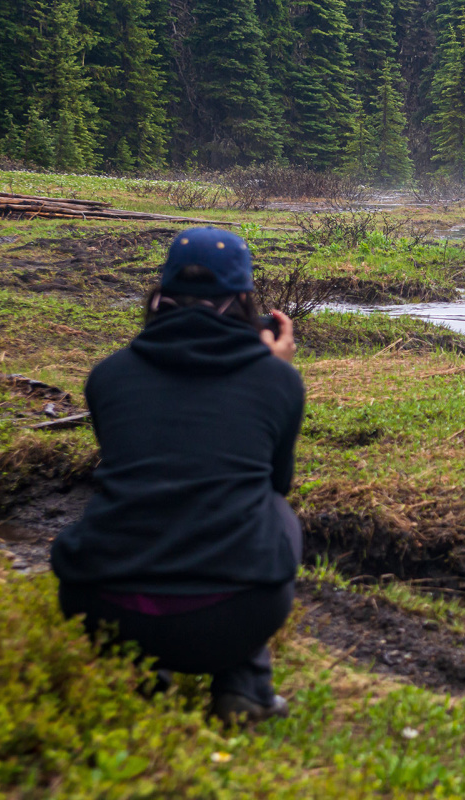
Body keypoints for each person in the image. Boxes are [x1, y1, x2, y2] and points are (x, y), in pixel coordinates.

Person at [51, 227, 305, 724]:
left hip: (104, 608)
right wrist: (272, 370)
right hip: (232, 618)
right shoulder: (277, 379)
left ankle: (141, 678)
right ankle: (244, 684)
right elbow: (276, 483)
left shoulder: (109, 375)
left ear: (161, 293)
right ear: (246, 300)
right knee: (275, 512)